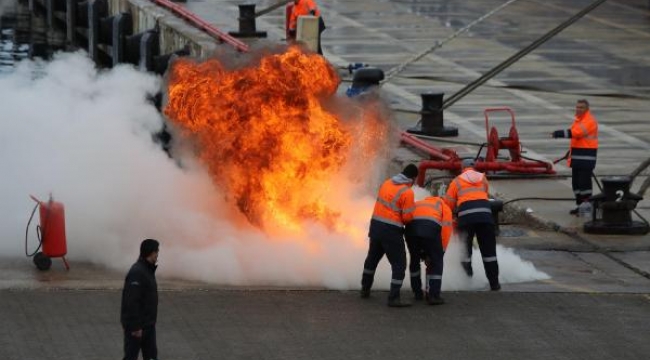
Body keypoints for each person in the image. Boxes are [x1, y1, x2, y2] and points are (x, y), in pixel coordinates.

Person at [360, 164, 418, 307]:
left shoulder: (386, 183)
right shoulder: (407, 192)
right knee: (399, 264)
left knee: (372, 260)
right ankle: (393, 298)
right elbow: (407, 218)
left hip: (375, 226)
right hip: (391, 231)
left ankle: (365, 289)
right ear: (413, 178)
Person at [444, 159, 501, 291]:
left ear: (462, 168)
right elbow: (484, 195)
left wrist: (454, 213)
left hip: (466, 219)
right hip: (485, 218)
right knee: (489, 253)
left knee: (465, 252)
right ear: (474, 167)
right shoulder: (483, 178)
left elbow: (448, 204)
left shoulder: (456, 181)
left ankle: (467, 282)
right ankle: (494, 283)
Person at [551, 99, 599, 215]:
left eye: (581, 107)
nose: (578, 109)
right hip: (578, 157)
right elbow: (577, 139)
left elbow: (576, 133)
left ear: (587, 109)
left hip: (586, 158)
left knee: (584, 184)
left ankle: (587, 206)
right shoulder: (579, 120)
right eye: (577, 107)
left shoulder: (589, 121)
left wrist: (558, 133)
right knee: (576, 184)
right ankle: (580, 206)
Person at [404, 195, 453, 305]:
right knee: (436, 262)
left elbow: (407, 217)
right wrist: (441, 252)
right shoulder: (444, 206)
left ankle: (417, 293)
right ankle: (433, 296)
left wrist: (422, 252)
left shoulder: (418, 203)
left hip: (410, 232)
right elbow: (446, 230)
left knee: (415, 260)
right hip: (430, 231)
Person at [121, 239, 160, 360]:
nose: (158, 255)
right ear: (151, 253)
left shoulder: (147, 270)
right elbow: (131, 302)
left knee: (151, 357)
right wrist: (135, 327)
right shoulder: (137, 272)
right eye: (157, 251)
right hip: (137, 328)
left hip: (148, 325)